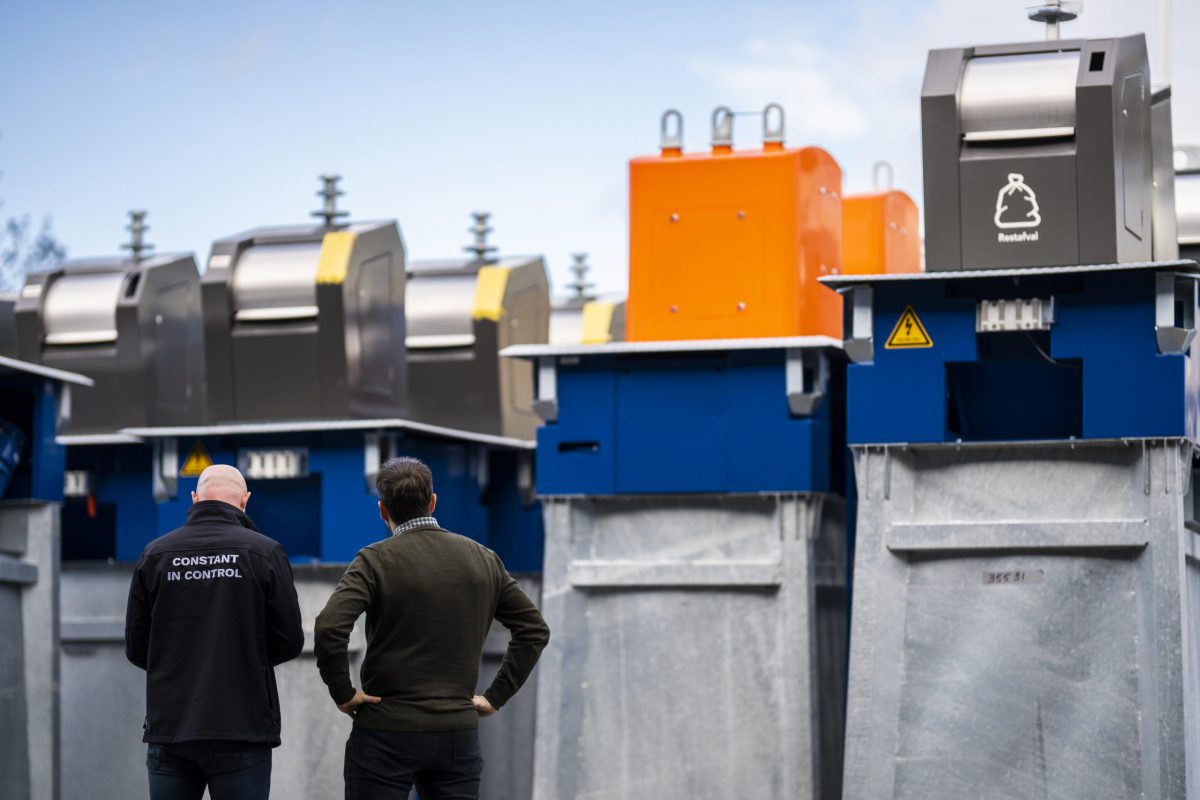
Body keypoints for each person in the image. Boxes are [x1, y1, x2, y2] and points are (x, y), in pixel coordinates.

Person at [315, 456, 550, 799]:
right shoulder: (483, 558)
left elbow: (330, 627)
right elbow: (534, 629)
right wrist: (495, 696)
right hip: (457, 733)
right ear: (433, 501)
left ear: (382, 510)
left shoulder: (374, 560)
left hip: (385, 732)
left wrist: (343, 692)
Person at [125, 464, 304, 800]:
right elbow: (290, 641)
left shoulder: (156, 554)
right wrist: (249, 661)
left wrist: (178, 672)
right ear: (245, 501)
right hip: (241, 728)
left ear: (194, 498)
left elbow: (137, 647)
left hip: (171, 729)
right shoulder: (264, 552)